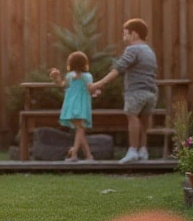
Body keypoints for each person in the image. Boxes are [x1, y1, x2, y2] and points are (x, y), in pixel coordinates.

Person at [91, 18, 158, 163]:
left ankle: (133, 150)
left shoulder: (132, 49)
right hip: (151, 92)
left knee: (132, 116)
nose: (124, 37)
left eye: (125, 34)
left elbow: (119, 68)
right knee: (144, 121)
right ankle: (143, 150)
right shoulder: (149, 51)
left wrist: (100, 83)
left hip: (135, 91)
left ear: (134, 34)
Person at [49, 51, 95, 161]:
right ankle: (77, 154)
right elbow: (90, 88)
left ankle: (86, 155)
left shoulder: (70, 76)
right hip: (82, 106)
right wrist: (96, 91)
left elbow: (63, 85)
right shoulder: (87, 77)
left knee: (80, 130)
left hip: (71, 105)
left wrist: (57, 77)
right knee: (80, 129)